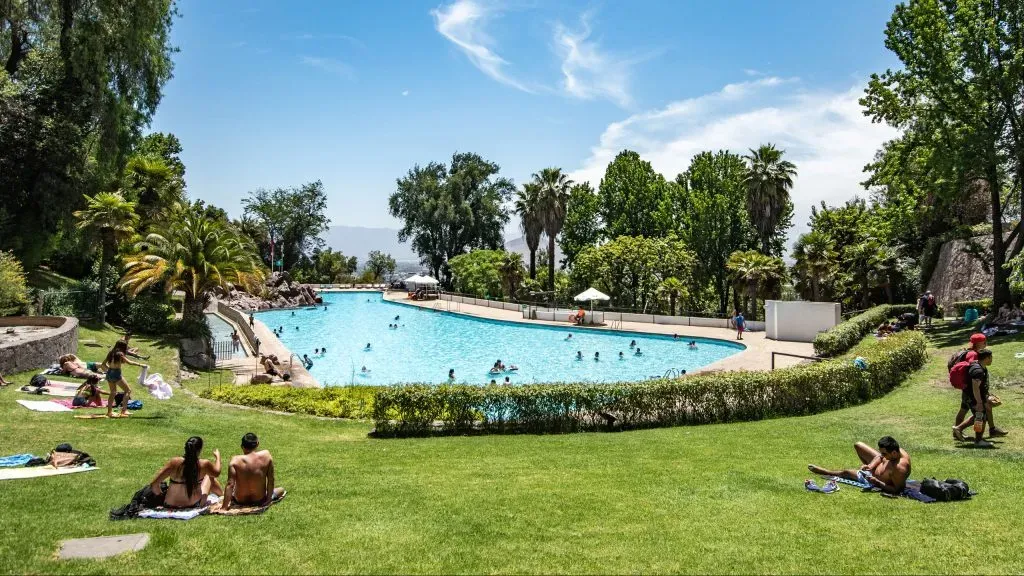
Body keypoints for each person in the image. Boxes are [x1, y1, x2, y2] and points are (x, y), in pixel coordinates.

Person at [807, 436, 911, 495]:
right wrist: (870, 466)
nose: (882, 455)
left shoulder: (900, 468)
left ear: (893, 453)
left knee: (846, 472)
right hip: (873, 470)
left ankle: (825, 471)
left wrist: (878, 482)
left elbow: (896, 490)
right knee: (858, 445)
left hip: (874, 479)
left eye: (885, 454)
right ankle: (867, 468)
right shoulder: (896, 451)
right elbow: (879, 457)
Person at [149, 436, 223, 508]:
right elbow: (217, 473)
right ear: (199, 450)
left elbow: (154, 485)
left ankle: (222, 495)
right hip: (194, 504)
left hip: (169, 504)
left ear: (186, 448)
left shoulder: (174, 462)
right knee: (209, 475)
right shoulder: (204, 464)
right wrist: (218, 458)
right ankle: (222, 496)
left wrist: (161, 497)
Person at [221, 433, 284, 510]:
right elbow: (271, 480)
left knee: (229, 490)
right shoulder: (266, 456)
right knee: (281, 489)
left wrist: (224, 507)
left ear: (242, 446)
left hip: (240, 501)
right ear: (257, 444)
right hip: (260, 500)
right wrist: (268, 500)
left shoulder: (235, 461)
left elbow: (230, 484)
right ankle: (270, 496)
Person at [953, 349, 1000, 447]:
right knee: (981, 417)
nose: (992, 359)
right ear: (987, 358)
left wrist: (987, 395)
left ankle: (959, 429)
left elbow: (981, 386)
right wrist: (979, 402)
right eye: (991, 357)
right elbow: (975, 387)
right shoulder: (978, 370)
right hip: (974, 397)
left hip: (975, 396)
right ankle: (978, 441)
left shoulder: (979, 366)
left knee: (980, 416)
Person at [103, 341, 146, 418]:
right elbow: (129, 362)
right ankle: (124, 410)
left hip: (109, 373)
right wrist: (141, 364)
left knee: (112, 392)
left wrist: (110, 370)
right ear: (122, 347)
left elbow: (103, 364)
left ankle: (109, 412)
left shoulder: (111, 353)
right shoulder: (120, 354)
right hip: (116, 374)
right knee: (128, 390)